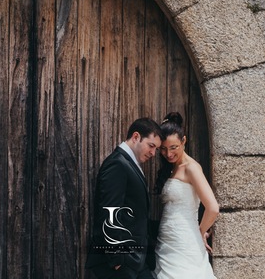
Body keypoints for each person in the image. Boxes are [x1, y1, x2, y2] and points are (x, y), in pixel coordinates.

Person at [86, 118, 162, 279]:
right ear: (135, 137)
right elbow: (109, 212)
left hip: (136, 261)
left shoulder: (129, 164)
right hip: (120, 263)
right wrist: (117, 261)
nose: (153, 153)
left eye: (156, 149)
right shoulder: (117, 164)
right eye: (151, 146)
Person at [154, 112, 218, 279]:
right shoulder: (171, 168)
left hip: (185, 240)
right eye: (163, 149)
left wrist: (200, 231)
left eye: (173, 147)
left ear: (183, 141)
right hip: (167, 239)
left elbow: (212, 208)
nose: (168, 154)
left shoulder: (192, 168)